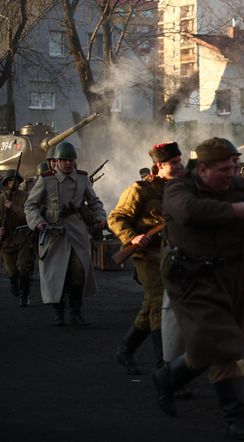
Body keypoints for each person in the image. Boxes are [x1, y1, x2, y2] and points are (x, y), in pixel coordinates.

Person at [151, 137, 244, 440]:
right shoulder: (180, 187)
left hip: (231, 275)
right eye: (223, 169)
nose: (230, 173)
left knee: (213, 344)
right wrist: (232, 211)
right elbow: (189, 212)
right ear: (203, 169)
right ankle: (235, 417)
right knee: (224, 343)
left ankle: (168, 377)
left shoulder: (237, 188)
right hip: (192, 279)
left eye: (232, 166)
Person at [108, 141, 184, 375]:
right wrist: (132, 237)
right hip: (147, 256)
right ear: (159, 165)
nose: (179, 166)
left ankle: (125, 350)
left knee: (150, 304)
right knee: (161, 303)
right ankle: (166, 367)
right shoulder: (139, 190)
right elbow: (116, 217)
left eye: (180, 161)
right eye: (173, 163)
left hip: (172, 255)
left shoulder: (181, 188)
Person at [24, 141, 106, 326]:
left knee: (79, 272)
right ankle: (58, 311)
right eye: (64, 160)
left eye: (71, 160)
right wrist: (38, 222)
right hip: (53, 233)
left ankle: (76, 312)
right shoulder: (46, 179)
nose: (68, 163)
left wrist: (100, 217)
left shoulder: (83, 179)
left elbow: (95, 202)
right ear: (57, 161)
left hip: (78, 232)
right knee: (56, 274)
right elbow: (30, 205)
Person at [0, 170, 34, 307]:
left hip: (22, 237)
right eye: (9, 181)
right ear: (6, 183)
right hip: (7, 240)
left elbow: (27, 216)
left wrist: (12, 206)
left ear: (19, 182)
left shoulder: (26, 197)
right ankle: (15, 285)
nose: (12, 183)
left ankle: (24, 295)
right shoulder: (1, 198)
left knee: (23, 267)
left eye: (15, 181)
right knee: (11, 270)